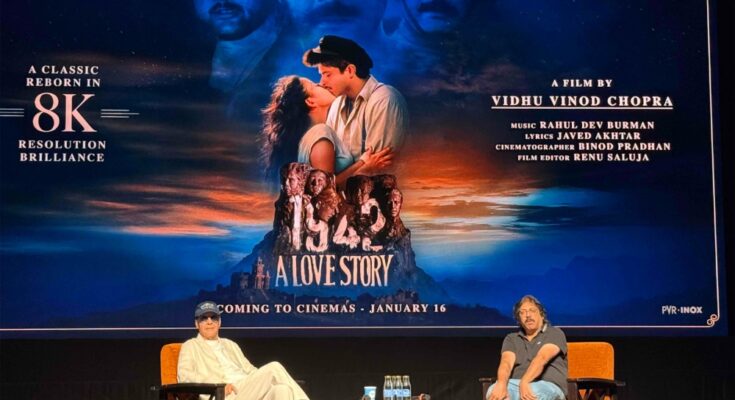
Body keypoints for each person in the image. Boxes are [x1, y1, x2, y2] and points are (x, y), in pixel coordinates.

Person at [260, 75, 393, 187]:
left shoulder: (318, 135)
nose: (322, 84)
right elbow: (325, 190)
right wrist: (365, 167)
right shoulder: (320, 134)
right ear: (310, 101)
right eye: (315, 85)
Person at [302, 35, 408, 167]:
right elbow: (331, 168)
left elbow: (378, 169)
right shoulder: (336, 106)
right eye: (321, 75)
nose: (322, 82)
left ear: (350, 70)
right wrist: (363, 166)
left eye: (328, 74)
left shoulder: (384, 100)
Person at [178, 301, 309, 400]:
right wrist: (218, 387)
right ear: (196, 324)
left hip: (245, 391)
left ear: (219, 322)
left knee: (282, 389)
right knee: (274, 367)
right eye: (204, 318)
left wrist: (264, 379)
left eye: (213, 317)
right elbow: (185, 378)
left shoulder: (231, 345)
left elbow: (250, 371)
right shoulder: (190, 346)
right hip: (222, 394)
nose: (209, 322)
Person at [486, 295, 568, 400]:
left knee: (533, 394)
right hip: (517, 385)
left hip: (548, 385)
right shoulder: (512, 339)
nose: (528, 315)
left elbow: (542, 358)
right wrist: (501, 384)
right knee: (493, 391)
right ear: (519, 319)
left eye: (532, 310)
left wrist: (525, 382)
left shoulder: (554, 333)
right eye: (522, 312)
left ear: (542, 315)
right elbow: (506, 363)